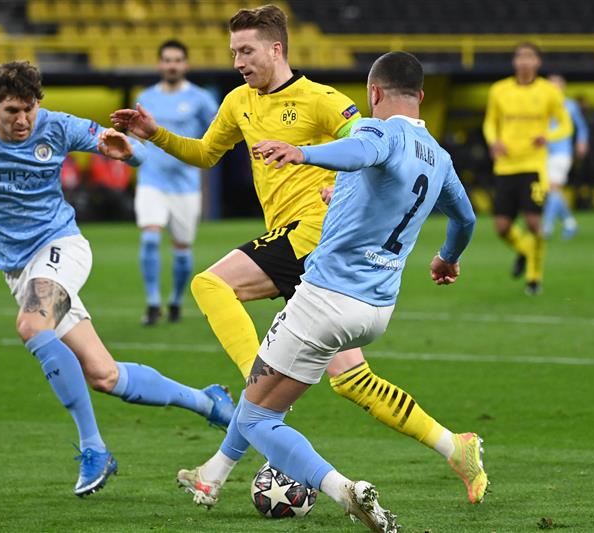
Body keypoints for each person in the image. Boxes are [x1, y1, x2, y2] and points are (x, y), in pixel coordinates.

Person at [113, 4, 487, 506]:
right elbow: (205, 153)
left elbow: (366, 149)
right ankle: (455, 447)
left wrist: (319, 168)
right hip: (308, 252)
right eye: (233, 53)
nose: (238, 61)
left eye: (247, 51)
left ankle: (255, 380)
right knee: (353, 380)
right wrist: (153, 133)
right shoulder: (237, 102)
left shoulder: (322, 100)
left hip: (311, 234)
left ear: (276, 49)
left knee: (211, 285)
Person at [0, 61, 234, 498]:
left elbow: (137, 154)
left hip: (61, 246)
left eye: (29, 109)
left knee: (32, 324)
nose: (22, 120)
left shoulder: (58, 126)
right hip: (19, 270)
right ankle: (208, 401)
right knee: (105, 375)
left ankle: (94, 448)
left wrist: (129, 153)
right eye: (12, 111)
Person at [179, 51, 478, 533]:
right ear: (421, 96)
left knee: (256, 417)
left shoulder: (378, 132)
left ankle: (345, 490)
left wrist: (303, 154)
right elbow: (465, 219)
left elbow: (359, 151)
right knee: (285, 398)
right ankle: (212, 474)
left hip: (325, 299)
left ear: (373, 92)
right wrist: (447, 256)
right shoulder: (439, 157)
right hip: (376, 308)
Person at [134, 40, 219, 325]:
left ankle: (175, 300)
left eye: (177, 60)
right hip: (152, 180)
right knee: (149, 238)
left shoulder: (201, 98)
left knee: (182, 250)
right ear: (160, 64)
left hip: (186, 184)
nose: (172, 65)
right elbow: (136, 136)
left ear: (185, 64)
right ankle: (152, 302)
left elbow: (218, 131)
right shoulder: (145, 98)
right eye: (167, 60)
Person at [483, 42, 571, 295]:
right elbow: (490, 122)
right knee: (501, 227)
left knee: (533, 222)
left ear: (537, 62)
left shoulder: (549, 91)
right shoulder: (499, 90)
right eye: (520, 56)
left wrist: (548, 136)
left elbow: (566, 124)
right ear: (514, 61)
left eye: (529, 56)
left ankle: (534, 277)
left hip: (534, 165)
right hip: (505, 165)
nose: (524, 61)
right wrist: (494, 141)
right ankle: (525, 250)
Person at [542, 74, 589, 239]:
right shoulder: (542, 105)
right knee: (550, 191)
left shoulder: (569, 105)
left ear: (562, 88)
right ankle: (570, 223)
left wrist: (582, 141)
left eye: (556, 85)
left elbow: (581, 126)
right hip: (543, 153)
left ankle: (546, 226)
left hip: (562, 152)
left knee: (552, 188)